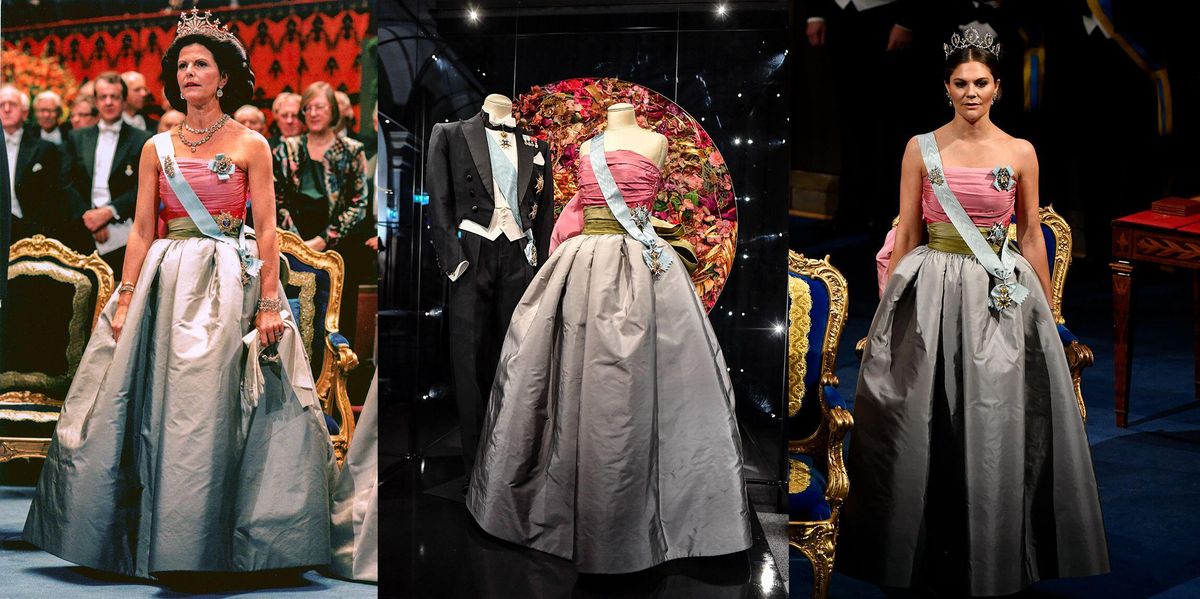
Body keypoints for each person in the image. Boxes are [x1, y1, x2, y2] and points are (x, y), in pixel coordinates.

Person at [23, 8, 335, 582]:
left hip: (228, 281)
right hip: (165, 280)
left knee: (208, 408)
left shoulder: (252, 144)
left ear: (224, 77)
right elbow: (143, 230)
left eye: (202, 64)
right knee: (141, 401)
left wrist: (270, 301)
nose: (190, 72)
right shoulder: (156, 147)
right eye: (183, 65)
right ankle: (143, 539)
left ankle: (213, 540)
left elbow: (267, 230)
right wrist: (124, 296)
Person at [838, 30, 1110, 596]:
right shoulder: (920, 148)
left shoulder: (1020, 151)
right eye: (960, 83)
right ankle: (925, 548)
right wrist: (889, 314)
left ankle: (993, 549)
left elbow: (1030, 236)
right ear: (946, 87)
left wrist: (1049, 314)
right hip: (932, 288)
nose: (970, 92)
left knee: (993, 419)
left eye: (980, 83)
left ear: (997, 88)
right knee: (924, 416)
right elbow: (907, 232)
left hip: (997, 295)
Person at [465, 103, 752, 573]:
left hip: (631, 264)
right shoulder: (588, 148)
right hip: (587, 266)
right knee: (559, 374)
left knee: (648, 381)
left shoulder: (656, 141)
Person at [272, 81, 371, 345]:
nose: (313, 113)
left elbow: (359, 204)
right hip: (292, 246)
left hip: (338, 247)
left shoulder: (352, 150)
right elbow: (276, 199)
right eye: (308, 108)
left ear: (333, 111)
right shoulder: (286, 150)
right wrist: (297, 244)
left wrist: (324, 239)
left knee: (337, 320)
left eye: (320, 107)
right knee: (295, 317)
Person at [59, 72, 152, 275]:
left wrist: (109, 212)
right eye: (103, 97)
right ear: (96, 101)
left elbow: (144, 186)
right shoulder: (77, 137)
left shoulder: (142, 139)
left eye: (114, 97)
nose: (108, 102)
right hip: (82, 230)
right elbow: (66, 182)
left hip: (124, 231)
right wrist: (91, 217)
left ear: (124, 100)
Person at [2, 85, 64, 241]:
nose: (7, 109)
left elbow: (52, 198)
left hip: (30, 232)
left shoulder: (44, 148)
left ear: (25, 113)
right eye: (1, 105)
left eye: (12, 104)